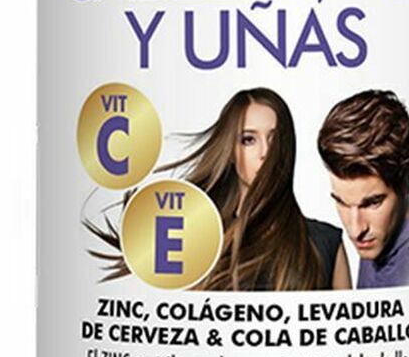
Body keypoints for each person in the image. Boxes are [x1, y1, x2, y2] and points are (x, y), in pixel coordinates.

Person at [87, 88, 350, 291]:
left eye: (275, 139)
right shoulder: (198, 238)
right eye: (248, 140)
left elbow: (346, 340)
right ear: (231, 152)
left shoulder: (325, 242)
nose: (265, 152)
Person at [316, 90, 409, 288]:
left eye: (372, 204)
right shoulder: (379, 238)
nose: (356, 230)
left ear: (406, 183)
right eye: (342, 203)